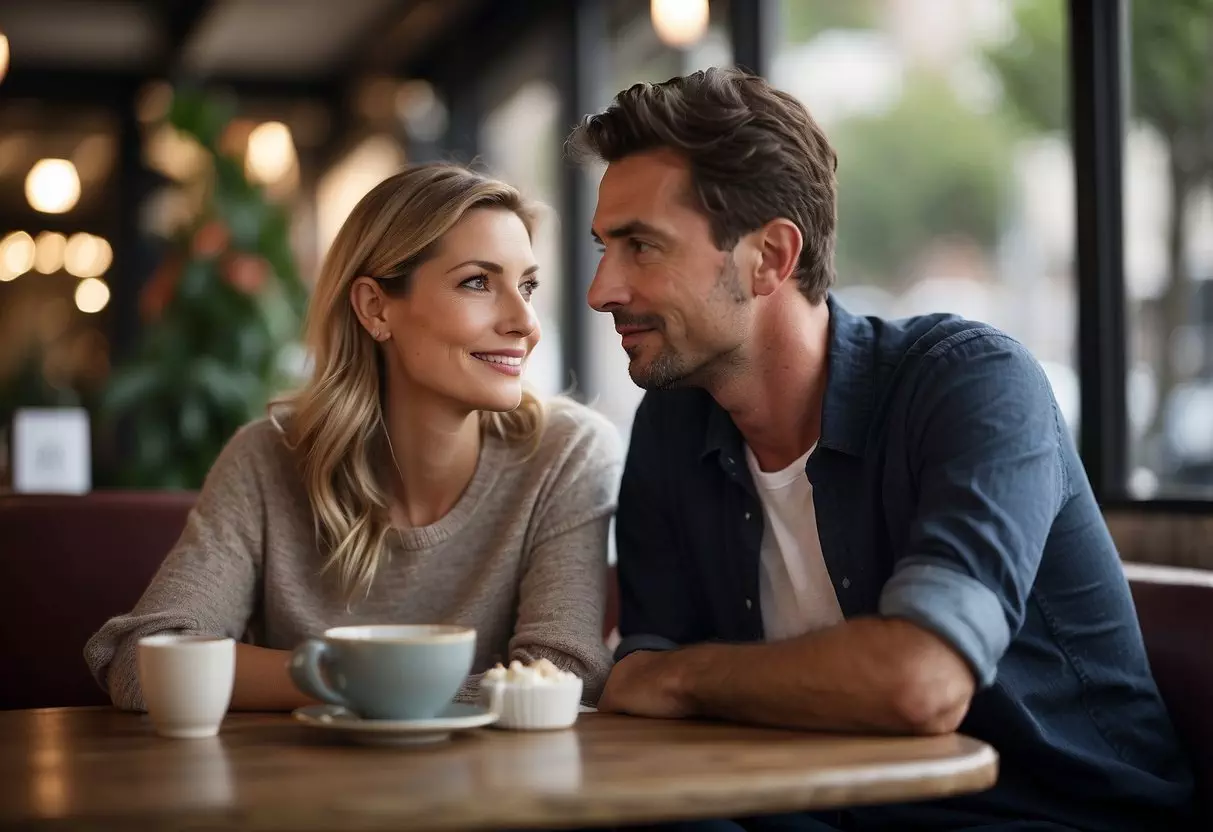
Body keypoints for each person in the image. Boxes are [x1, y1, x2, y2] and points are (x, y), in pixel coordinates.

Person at [568, 68, 1195, 831]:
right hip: (820, 808)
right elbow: (638, 682)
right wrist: (664, 682)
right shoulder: (673, 424)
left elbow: (920, 681)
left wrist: (679, 679)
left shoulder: (969, 383)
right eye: (604, 246)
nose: (602, 288)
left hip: (1046, 816)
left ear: (769, 256)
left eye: (641, 246)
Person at [85, 163, 620, 712]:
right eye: (478, 282)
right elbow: (142, 664)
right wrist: (352, 677)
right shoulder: (266, 459)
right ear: (374, 307)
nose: (525, 322)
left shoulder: (567, 454)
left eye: (527, 285)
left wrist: (342, 681)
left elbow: (564, 678)